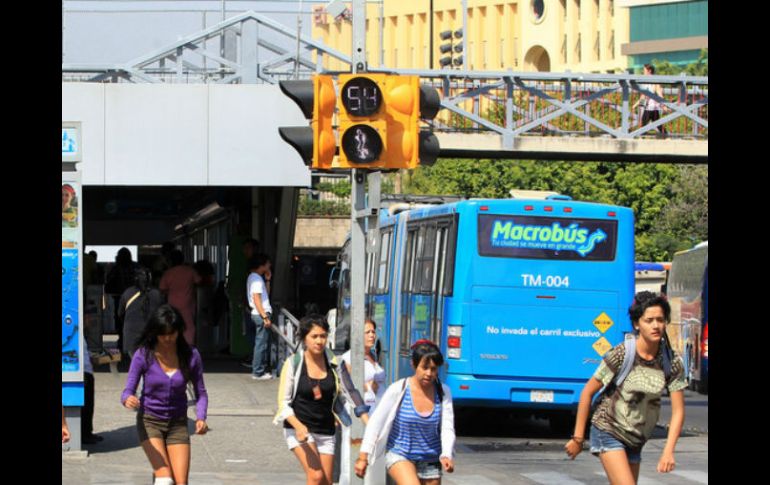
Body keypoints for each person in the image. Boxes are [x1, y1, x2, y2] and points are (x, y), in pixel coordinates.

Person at [565, 291, 686, 485]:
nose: (656, 325)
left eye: (660, 320)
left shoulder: (671, 363)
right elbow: (587, 392)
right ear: (637, 324)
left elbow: (678, 411)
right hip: (609, 429)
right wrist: (578, 439)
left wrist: (668, 452)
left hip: (636, 440)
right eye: (649, 320)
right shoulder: (622, 354)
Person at [274, 314, 370, 485]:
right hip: (299, 429)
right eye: (314, 336)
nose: (319, 341)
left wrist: (368, 422)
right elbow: (283, 403)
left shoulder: (334, 362)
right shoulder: (293, 363)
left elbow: (350, 391)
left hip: (326, 430)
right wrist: (299, 426)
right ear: (304, 338)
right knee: (316, 476)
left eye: (323, 336)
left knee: (326, 482)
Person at [121, 305, 209, 485]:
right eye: (162, 334)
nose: (167, 338)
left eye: (172, 333)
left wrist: (201, 417)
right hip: (150, 422)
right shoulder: (143, 355)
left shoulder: (191, 355)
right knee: (165, 479)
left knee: (181, 482)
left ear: (179, 331)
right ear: (154, 333)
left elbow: (201, 393)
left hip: (178, 424)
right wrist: (127, 399)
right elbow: (127, 390)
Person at [356, 340, 456, 485]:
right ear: (414, 365)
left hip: (431, 457)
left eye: (433, 369)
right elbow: (375, 423)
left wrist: (446, 454)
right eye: (424, 368)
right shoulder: (399, 389)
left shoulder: (443, 392)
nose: (429, 373)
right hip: (400, 454)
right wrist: (363, 456)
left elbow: (447, 427)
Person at [339, 319, 386, 485]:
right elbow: (348, 385)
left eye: (373, 331)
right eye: (367, 332)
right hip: (359, 412)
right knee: (352, 452)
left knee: (372, 453)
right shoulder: (349, 357)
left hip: (376, 409)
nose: (372, 335)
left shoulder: (373, 355)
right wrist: (368, 386)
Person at [119, 267, 164, 359]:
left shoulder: (127, 293)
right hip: (151, 335)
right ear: (150, 279)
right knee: (151, 362)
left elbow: (120, 313)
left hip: (131, 336)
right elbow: (162, 314)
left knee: (136, 361)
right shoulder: (157, 294)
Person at [160, 250, 202, 346]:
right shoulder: (190, 270)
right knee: (189, 326)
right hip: (188, 304)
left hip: (172, 305)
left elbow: (162, 289)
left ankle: (174, 345)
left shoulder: (168, 273)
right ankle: (189, 345)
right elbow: (199, 281)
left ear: (170, 261)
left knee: (173, 325)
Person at [105, 247, 141, 352]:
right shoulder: (136, 267)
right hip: (136, 299)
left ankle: (122, 343)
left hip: (119, 297)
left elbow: (108, 283)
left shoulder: (116, 268)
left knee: (120, 322)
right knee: (136, 322)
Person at [246, 254, 273, 380]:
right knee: (261, 344)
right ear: (261, 265)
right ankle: (258, 372)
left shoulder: (256, 278)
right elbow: (257, 298)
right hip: (261, 314)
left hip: (259, 313)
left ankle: (259, 370)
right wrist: (265, 316)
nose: (269, 265)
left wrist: (267, 280)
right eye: (267, 263)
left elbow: (265, 295)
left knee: (261, 343)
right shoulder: (256, 279)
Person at [633, 64, 667, 136]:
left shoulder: (654, 81)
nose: (643, 72)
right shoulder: (646, 81)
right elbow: (644, 96)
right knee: (657, 124)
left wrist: (664, 106)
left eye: (644, 70)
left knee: (644, 124)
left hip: (651, 107)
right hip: (649, 107)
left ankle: (641, 137)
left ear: (649, 71)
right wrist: (636, 105)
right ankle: (666, 136)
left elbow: (660, 94)